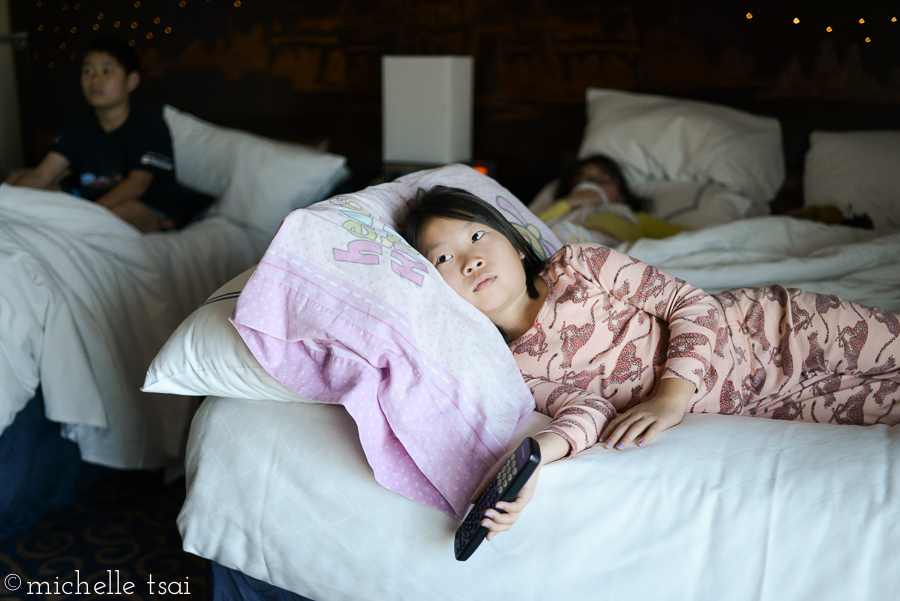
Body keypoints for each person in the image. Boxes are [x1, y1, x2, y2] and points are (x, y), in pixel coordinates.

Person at [401, 185, 900, 541]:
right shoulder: (514, 368)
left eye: (475, 237)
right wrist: (532, 459)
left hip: (778, 331)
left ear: (509, 237)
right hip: (772, 401)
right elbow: (587, 411)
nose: (469, 261)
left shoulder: (579, 266)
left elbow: (692, 304)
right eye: (441, 259)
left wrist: (670, 398)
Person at [9, 37, 179, 233]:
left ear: (131, 81)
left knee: (128, 212)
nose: (95, 80)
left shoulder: (150, 125)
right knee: (16, 181)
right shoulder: (78, 126)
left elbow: (137, 184)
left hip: (144, 209)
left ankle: (73, 230)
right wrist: (9, 202)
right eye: (88, 71)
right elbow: (43, 174)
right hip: (88, 203)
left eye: (107, 71)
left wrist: (88, 213)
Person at [537, 154, 684, 245]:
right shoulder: (564, 213)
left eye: (602, 180)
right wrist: (567, 203)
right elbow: (529, 228)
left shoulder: (634, 218)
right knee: (557, 231)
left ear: (621, 195)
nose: (592, 184)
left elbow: (681, 237)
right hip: (567, 244)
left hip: (612, 250)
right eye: (583, 180)